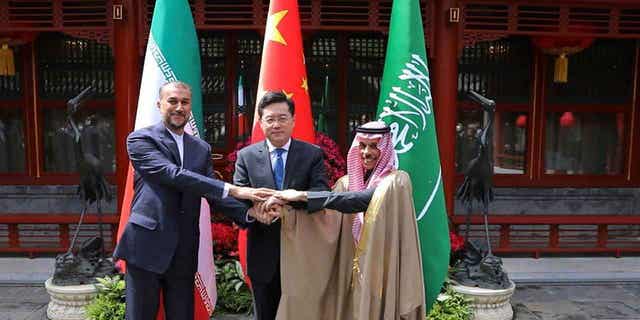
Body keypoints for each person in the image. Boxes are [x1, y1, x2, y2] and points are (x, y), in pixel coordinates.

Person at [113, 81, 273, 320]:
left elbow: (210, 192)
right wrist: (235, 190)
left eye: (185, 102)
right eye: (172, 101)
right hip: (146, 244)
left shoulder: (200, 148)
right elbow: (172, 175)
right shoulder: (140, 140)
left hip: (184, 248)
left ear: (190, 108)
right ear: (159, 105)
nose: (179, 107)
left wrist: (249, 214)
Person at [271, 121, 426, 320]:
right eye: (362, 146)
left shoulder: (397, 182)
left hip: (383, 269)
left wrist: (303, 196)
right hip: (349, 271)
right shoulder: (346, 184)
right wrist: (288, 211)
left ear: (385, 148)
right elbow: (325, 221)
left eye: (374, 146)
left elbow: (359, 201)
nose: (366, 152)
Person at [233, 91, 329, 320]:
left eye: (282, 118)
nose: (276, 124)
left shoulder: (311, 154)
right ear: (260, 122)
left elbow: (321, 195)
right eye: (270, 119)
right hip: (263, 254)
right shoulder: (246, 156)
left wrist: (289, 203)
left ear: (293, 121)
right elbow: (236, 200)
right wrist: (253, 213)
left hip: (301, 251)